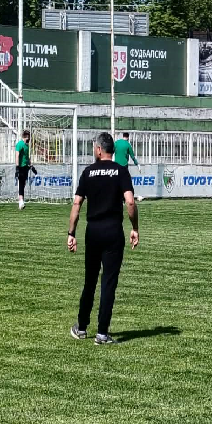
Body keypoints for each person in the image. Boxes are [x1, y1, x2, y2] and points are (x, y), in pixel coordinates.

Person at [68, 132, 139, 345]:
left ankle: (81, 327)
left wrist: (71, 233)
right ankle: (101, 333)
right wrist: (135, 228)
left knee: (90, 280)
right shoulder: (120, 171)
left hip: (93, 232)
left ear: (99, 150)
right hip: (113, 232)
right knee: (108, 282)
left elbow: (77, 204)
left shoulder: (88, 172)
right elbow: (130, 202)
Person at [14, 130, 35, 210]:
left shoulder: (27, 145)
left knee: (24, 183)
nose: (29, 139)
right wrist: (17, 167)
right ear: (25, 136)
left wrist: (31, 166)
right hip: (21, 167)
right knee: (21, 183)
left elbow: (27, 157)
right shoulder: (20, 144)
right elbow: (17, 155)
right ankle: (21, 201)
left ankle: (21, 199)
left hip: (26, 167)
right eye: (28, 137)